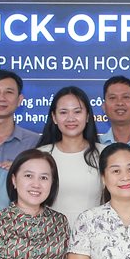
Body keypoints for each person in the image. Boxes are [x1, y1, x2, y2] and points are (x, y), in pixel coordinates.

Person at [37, 86, 104, 227]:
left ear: (87, 116)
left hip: (95, 234)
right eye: (63, 112)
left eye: (77, 111)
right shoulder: (40, 156)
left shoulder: (105, 154)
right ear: (54, 117)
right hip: (50, 235)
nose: (70, 118)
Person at [0, 69, 41, 169]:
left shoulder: (35, 143)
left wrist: (21, 170)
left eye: (9, 92)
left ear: (19, 100)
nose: (1, 98)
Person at [97, 75, 130, 147]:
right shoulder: (96, 146)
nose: (120, 103)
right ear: (104, 106)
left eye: (126, 97)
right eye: (112, 98)